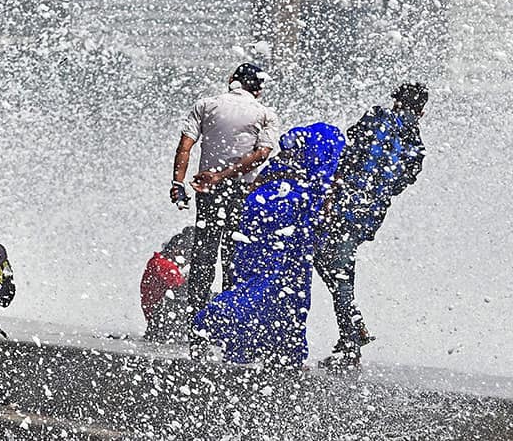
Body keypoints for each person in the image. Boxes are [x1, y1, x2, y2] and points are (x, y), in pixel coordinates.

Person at [192, 123, 346, 369]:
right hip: (289, 214)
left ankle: (243, 347)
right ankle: (225, 322)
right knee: (288, 288)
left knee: (255, 278)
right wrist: (322, 230)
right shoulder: (318, 165)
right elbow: (321, 197)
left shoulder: (280, 162)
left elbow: (256, 185)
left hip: (257, 209)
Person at [315, 83, 428, 369]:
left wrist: (332, 191)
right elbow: (403, 181)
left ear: (396, 101)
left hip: (344, 202)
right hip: (369, 213)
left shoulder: (376, 117)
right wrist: (378, 194)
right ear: (422, 111)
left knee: (326, 261)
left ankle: (352, 342)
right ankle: (352, 331)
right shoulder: (415, 144)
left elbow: (347, 154)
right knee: (339, 266)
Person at [169, 63, 280, 356]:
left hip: (207, 189)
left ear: (231, 81)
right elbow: (262, 155)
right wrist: (226, 174)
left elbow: (185, 146)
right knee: (234, 259)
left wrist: (178, 182)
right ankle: (228, 331)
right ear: (258, 88)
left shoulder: (206, 105)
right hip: (242, 192)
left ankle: (197, 331)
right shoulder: (265, 114)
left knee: (203, 258)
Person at [141, 228, 193, 343]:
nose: (190, 259)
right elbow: (184, 290)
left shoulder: (159, 261)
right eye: (190, 253)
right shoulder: (163, 265)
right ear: (177, 250)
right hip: (161, 324)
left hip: (159, 321)